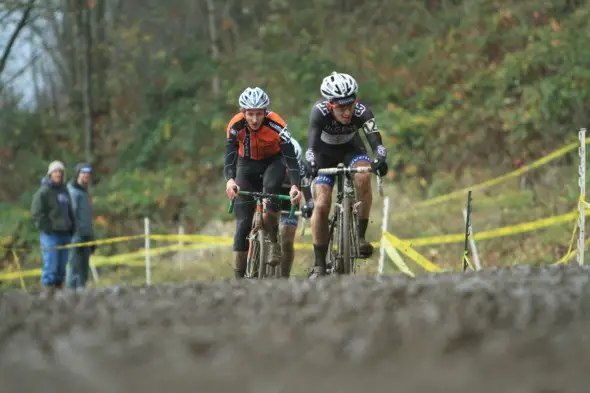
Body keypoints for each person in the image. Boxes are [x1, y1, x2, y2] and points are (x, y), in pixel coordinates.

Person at [305, 71, 389, 278]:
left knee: (363, 176)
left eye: (350, 105)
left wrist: (379, 159)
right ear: (330, 105)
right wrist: (312, 163)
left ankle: (360, 236)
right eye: (341, 107)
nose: (347, 112)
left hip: (352, 149)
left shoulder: (363, 112)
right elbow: (312, 148)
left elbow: (377, 144)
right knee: (322, 203)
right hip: (325, 155)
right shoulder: (319, 112)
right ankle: (319, 264)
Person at [224, 86, 302, 279]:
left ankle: (273, 239)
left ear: (265, 112)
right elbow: (230, 155)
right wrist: (230, 180)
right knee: (242, 224)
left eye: (259, 114)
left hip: (273, 162)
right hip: (247, 164)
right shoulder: (235, 125)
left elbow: (290, 158)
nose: (255, 119)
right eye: (250, 114)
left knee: (270, 189)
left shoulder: (277, 124)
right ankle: (238, 278)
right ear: (243, 113)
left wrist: (295, 185)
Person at [30, 160, 76, 291]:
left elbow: (70, 210)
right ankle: (47, 294)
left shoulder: (64, 191)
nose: (58, 174)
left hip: (65, 234)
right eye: (55, 172)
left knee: (62, 268)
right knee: (51, 266)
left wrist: (73, 226)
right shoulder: (43, 192)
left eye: (60, 172)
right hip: (51, 235)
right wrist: (46, 228)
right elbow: (36, 213)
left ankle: (59, 295)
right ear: (50, 174)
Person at [277, 138, 314, 278]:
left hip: (290, 200)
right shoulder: (269, 165)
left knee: (286, 239)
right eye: (285, 167)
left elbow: (309, 197)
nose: (288, 171)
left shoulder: (302, 169)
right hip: (271, 194)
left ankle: (284, 276)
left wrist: (308, 207)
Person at [66, 163, 96, 289]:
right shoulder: (73, 192)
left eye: (88, 174)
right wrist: (74, 234)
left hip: (86, 236)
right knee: (74, 269)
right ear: (78, 174)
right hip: (76, 237)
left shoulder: (84, 193)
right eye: (83, 173)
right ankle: (71, 297)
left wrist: (92, 237)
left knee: (84, 270)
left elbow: (87, 218)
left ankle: (82, 299)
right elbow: (70, 215)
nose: (86, 176)